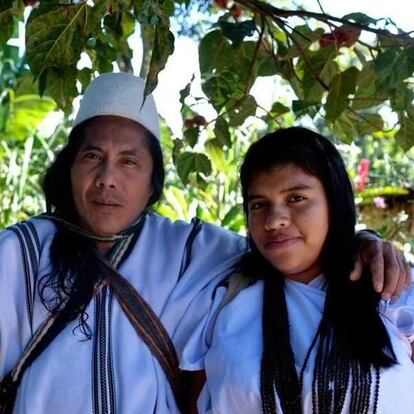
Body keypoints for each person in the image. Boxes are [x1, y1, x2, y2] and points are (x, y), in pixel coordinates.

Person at [0, 74, 409, 414]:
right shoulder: (21, 252)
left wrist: (361, 241)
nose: (108, 177)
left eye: (129, 161)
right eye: (91, 156)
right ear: (69, 166)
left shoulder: (189, 249)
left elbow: (287, 244)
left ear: (153, 182)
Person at [181, 127, 414, 413]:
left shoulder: (388, 285)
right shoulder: (224, 298)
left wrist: (366, 240)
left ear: (334, 202)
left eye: (296, 198)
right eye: (259, 204)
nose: (273, 220)